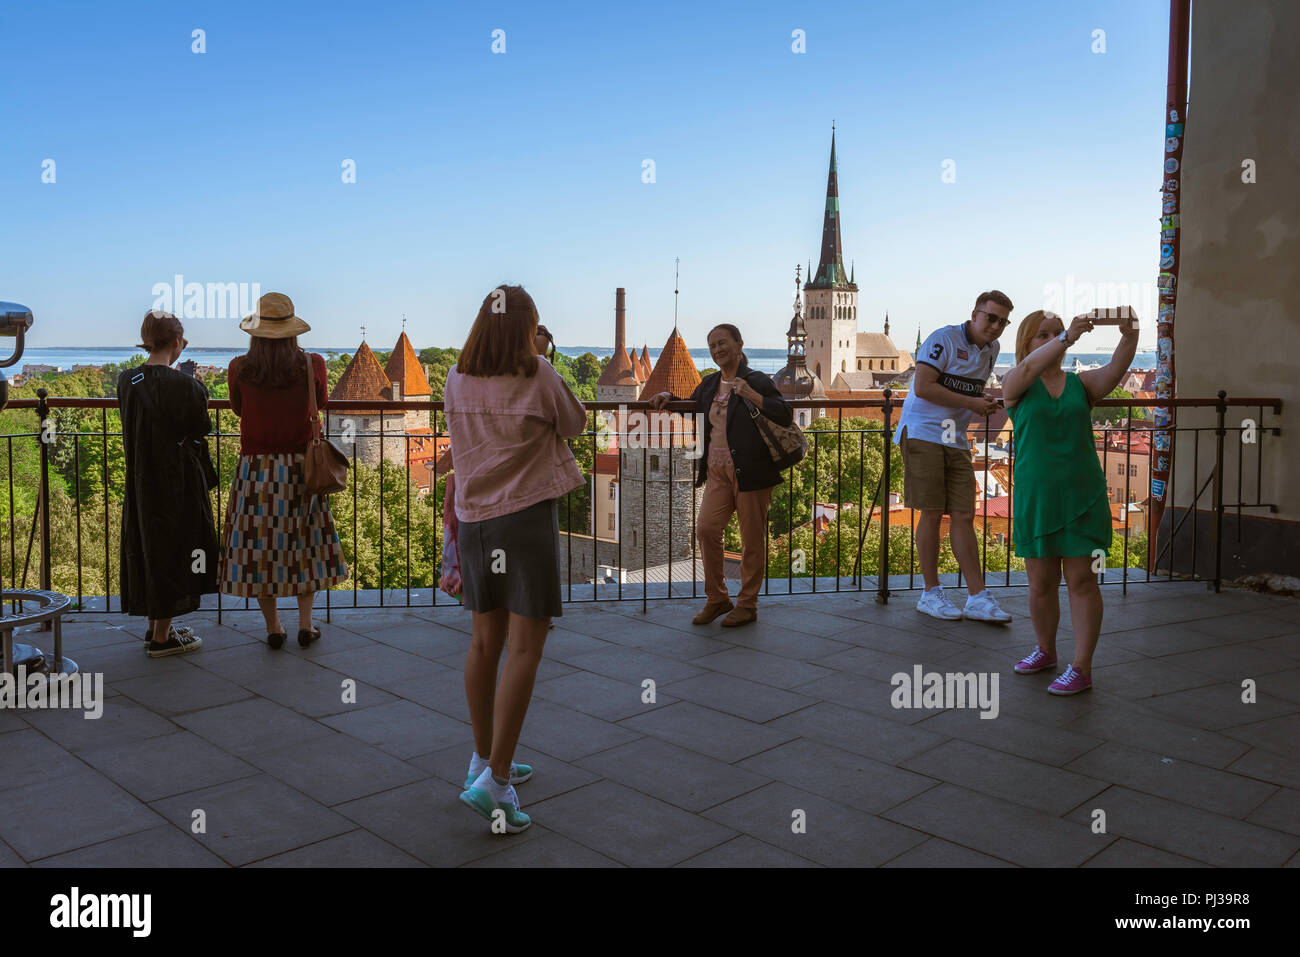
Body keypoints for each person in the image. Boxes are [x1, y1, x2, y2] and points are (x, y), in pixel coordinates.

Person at [447, 285, 586, 833]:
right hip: (525, 518)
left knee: (485, 642)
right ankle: (498, 782)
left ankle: (481, 760)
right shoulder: (538, 373)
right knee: (527, 646)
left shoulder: (457, 376)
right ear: (527, 327)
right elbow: (574, 424)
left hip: (475, 519)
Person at [1002, 308, 1139, 694]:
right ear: (1026, 343)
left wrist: (1131, 334)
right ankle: (1045, 650)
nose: (1052, 340)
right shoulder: (1016, 384)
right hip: (1038, 499)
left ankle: (1081, 666)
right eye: (1042, 335)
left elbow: (1116, 367)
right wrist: (1068, 337)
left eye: (1056, 334)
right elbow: (1028, 370)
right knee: (1040, 583)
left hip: (1083, 496)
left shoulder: (1082, 384)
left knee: (1083, 581)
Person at [219, 292, 347, 649]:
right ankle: (306, 625)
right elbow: (319, 403)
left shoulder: (238, 368)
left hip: (255, 471)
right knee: (305, 546)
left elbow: (238, 409)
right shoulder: (313, 364)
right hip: (300, 470)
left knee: (260, 550)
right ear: (293, 331)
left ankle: (274, 628)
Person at [648, 323, 793, 627]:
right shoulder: (710, 383)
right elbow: (695, 408)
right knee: (706, 529)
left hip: (751, 470)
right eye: (712, 346)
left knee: (751, 540)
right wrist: (668, 396)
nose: (717, 350)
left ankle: (747, 604)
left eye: (723, 343)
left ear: (739, 345)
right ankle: (717, 598)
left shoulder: (756, 380)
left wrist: (751, 394)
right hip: (716, 470)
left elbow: (783, 413)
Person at [893, 291, 1015, 623]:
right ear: (975, 314)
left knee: (964, 514)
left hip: (955, 437)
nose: (995, 326)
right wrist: (973, 403)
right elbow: (923, 386)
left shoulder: (993, 350)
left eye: (1003, 321)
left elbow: (968, 391)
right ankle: (930, 593)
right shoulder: (942, 339)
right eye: (991, 318)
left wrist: (982, 399)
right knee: (931, 513)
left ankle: (977, 597)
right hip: (922, 432)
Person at [117, 311, 218, 656]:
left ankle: (156, 627)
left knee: (150, 546)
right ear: (177, 342)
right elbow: (201, 427)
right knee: (177, 548)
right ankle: (161, 638)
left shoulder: (126, 381)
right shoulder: (188, 387)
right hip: (178, 480)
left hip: (141, 479)